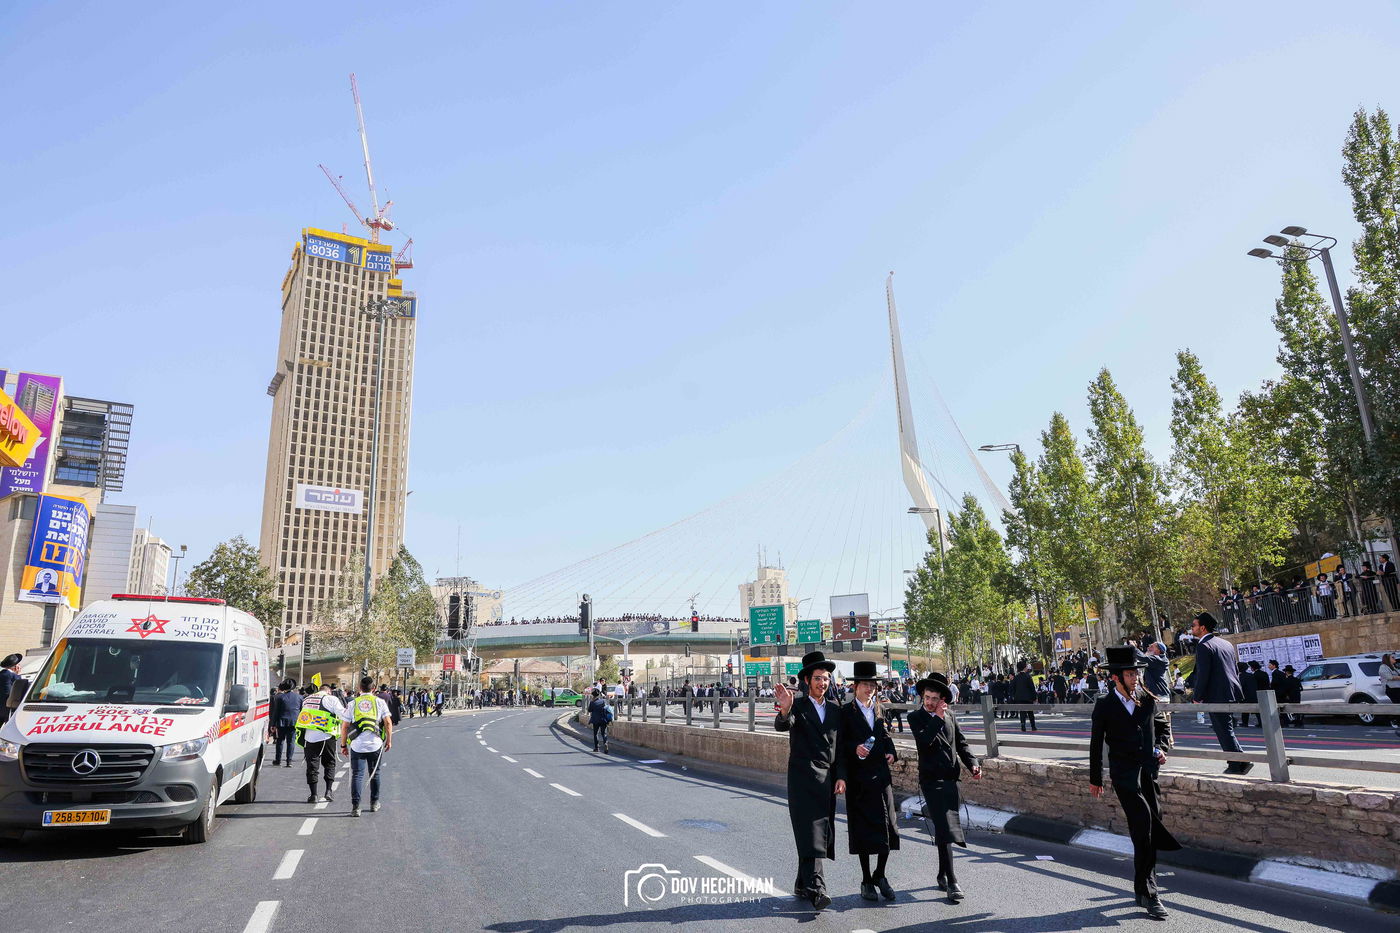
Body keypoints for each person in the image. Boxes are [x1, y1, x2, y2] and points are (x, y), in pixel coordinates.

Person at [1089, 645, 1180, 921]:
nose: (1135, 678)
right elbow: (1096, 744)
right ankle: (1152, 895)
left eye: (1137, 674)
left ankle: (1142, 889)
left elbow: (1162, 727)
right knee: (1144, 827)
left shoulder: (1147, 699)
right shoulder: (1105, 705)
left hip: (1148, 774)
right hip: (1124, 776)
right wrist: (1096, 778)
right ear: (1115, 677)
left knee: (1147, 833)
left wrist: (1161, 748)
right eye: (1130, 674)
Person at [774, 650, 841, 912]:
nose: (822, 683)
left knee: (818, 830)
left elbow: (840, 747)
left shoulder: (835, 709)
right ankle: (817, 888)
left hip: (827, 778)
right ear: (806, 680)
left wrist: (842, 776)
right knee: (810, 830)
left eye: (826, 678)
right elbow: (783, 724)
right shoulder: (798, 706)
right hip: (802, 777)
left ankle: (802, 883)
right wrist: (785, 709)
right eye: (817, 678)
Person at [908, 672, 980, 902]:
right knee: (946, 827)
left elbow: (961, 743)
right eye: (926, 698)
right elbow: (925, 742)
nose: (929, 702)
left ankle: (941, 873)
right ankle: (952, 880)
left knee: (943, 829)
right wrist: (937, 718)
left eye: (934, 698)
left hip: (951, 779)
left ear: (942, 700)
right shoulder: (915, 717)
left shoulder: (950, 716)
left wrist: (973, 764)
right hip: (931, 781)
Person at [833, 661, 899, 903]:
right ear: (855, 686)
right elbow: (840, 745)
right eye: (865, 685)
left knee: (889, 827)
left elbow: (885, 736)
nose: (869, 689)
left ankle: (880, 874)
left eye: (873, 685)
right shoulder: (845, 713)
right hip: (859, 778)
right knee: (863, 830)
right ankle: (866, 880)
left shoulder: (880, 709)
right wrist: (855, 749)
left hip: (881, 776)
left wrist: (891, 751)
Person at [1188, 612, 1250, 774]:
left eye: (1193, 625)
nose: (1191, 628)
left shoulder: (1204, 645)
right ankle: (1240, 760)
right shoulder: (1226, 643)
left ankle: (1236, 763)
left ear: (1203, 627)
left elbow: (1203, 674)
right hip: (1231, 691)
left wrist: (1197, 696)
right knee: (1225, 728)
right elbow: (1234, 668)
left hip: (1216, 693)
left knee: (1223, 729)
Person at [339, 675, 393, 817]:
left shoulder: (353, 703)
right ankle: (374, 803)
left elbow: (344, 726)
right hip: (375, 744)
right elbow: (388, 723)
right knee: (375, 773)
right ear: (374, 688)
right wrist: (389, 740)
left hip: (357, 745)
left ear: (359, 688)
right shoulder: (379, 702)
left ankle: (356, 807)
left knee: (357, 775)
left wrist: (343, 745)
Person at [295, 679, 343, 804]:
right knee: (330, 763)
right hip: (327, 736)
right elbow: (343, 714)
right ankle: (328, 791)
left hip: (310, 737)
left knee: (312, 766)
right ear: (329, 691)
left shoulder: (307, 699)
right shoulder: (331, 699)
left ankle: (313, 795)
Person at [271, 680, 302, 767]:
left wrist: (273, 724)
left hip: (281, 722)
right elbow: (301, 710)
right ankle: (289, 761)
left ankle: (278, 760)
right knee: (291, 742)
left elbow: (276, 712)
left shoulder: (279, 697)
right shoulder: (299, 697)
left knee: (280, 741)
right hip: (294, 722)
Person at [1011, 660, 1037, 732]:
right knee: (1030, 712)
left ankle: (1023, 725)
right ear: (1024, 668)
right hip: (1028, 697)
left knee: (1022, 712)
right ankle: (1033, 726)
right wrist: (1034, 697)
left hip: (1019, 698)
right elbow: (1032, 688)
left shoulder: (1016, 677)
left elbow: (1012, 687)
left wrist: (1014, 696)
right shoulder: (1028, 676)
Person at [0, 653, 22, 727]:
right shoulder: (10, 675)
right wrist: (18, 674)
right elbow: (19, 685)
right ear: (14, 666)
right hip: (7, 707)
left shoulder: (2, 674)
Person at [1379, 653, 1400, 733]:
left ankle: (1396, 720)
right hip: (1391, 688)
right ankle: (1394, 720)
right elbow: (1389, 677)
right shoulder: (1383, 667)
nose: (1394, 658)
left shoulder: (1394, 667)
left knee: (1398, 704)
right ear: (1387, 659)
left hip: (1397, 688)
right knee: (1397, 704)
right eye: (1392, 657)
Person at [587, 688, 612, 753]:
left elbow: (589, 710)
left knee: (595, 733)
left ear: (593, 695)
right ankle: (605, 743)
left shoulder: (592, 702)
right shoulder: (603, 701)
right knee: (604, 733)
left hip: (595, 720)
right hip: (603, 719)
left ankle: (596, 748)